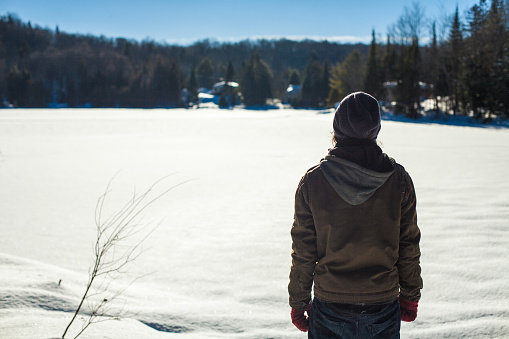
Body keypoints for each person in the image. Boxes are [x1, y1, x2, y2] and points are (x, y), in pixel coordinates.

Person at [288, 92, 422, 338]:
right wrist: (410, 295)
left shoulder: (313, 182)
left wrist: (298, 301)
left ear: (337, 128)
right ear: (375, 130)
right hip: (382, 305)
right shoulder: (399, 180)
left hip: (330, 305)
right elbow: (408, 246)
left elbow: (304, 252)